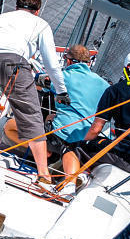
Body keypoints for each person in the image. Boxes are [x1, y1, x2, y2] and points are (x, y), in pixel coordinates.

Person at [0, 0, 67, 186]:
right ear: (37, 11)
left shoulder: (2, 17)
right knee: (31, 116)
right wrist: (61, 90)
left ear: (17, 7)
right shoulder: (41, 24)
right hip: (12, 62)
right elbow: (51, 63)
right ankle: (43, 175)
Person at [42, 44, 110, 180]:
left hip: (64, 133)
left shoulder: (63, 76)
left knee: (13, 127)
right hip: (89, 135)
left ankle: (45, 158)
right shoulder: (105, 85)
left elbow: (42, 85)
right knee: (51, 117)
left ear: (68, 61)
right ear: (89, 63)